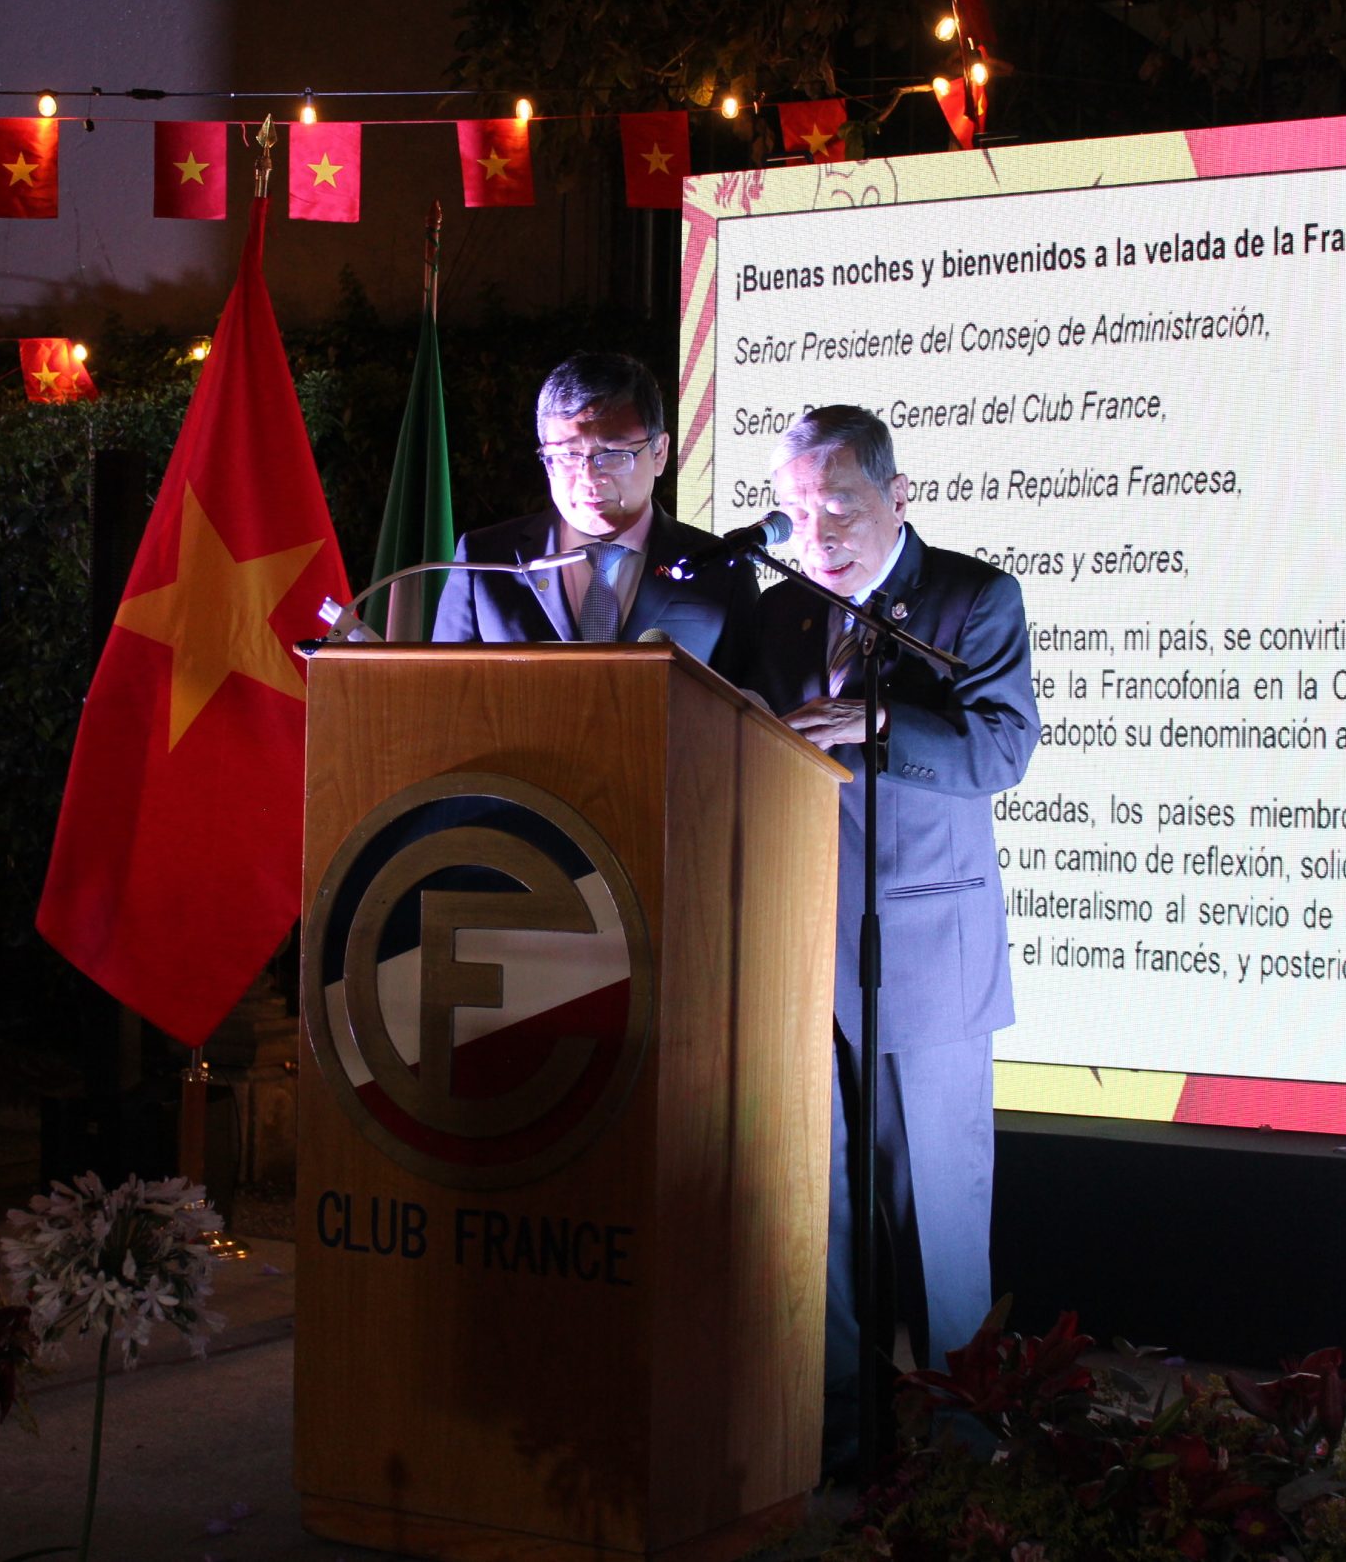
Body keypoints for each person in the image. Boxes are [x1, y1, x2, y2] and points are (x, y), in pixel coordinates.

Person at [745, 406, 1039, 1475]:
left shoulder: (969, 599)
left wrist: (880, 725)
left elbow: (1002, 749)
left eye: (839, 507)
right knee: (818, 1210)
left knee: (937, 1225)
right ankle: (835, 1427)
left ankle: (964, 1442)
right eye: (796, 512)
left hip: (925, 956)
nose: (816, 534)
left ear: (897, 494)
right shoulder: (777, 614)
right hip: (793, 948)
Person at [431, 351, 760, 680]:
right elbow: (443, 689)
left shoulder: (722, 571)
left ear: (659, 452)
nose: (589, 477)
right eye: (567, 456)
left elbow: (746, 704)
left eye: (613, 454)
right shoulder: (486, 560)